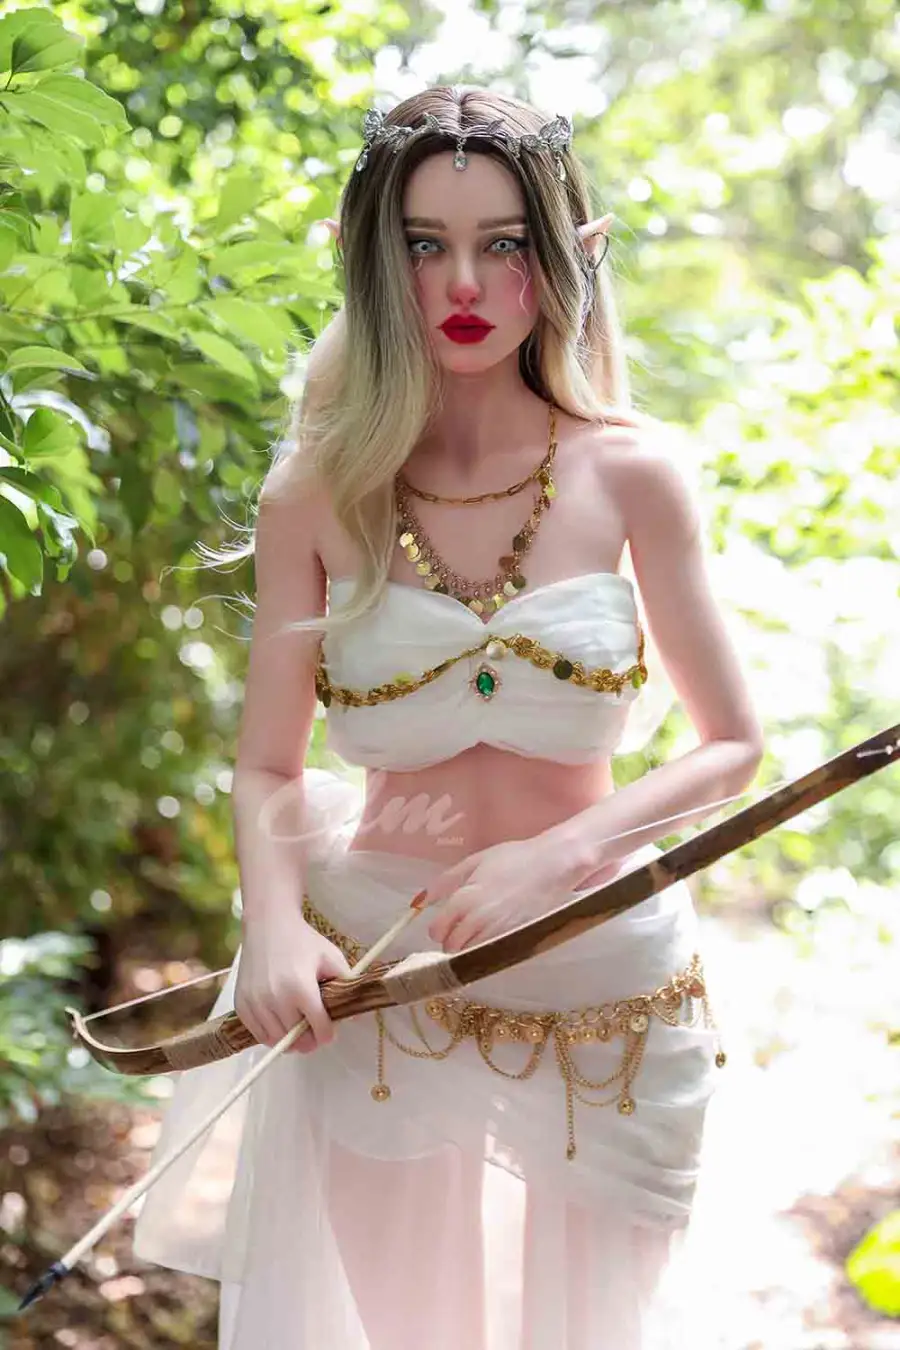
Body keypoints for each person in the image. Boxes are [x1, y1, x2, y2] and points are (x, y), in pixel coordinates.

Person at [133, 84, 764, 1349]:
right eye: (424, 244)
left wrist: (560, 856)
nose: (463, 283)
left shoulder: (632, 473)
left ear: (568, 256)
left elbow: (733, 746)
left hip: (602, 977)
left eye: (504, 243)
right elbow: (267, 769)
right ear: (371, 258)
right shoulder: (317, 495)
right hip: (378, 973)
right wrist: (271, 927)